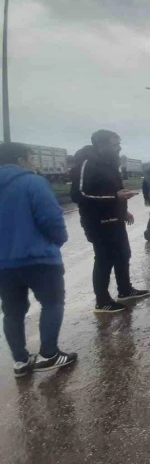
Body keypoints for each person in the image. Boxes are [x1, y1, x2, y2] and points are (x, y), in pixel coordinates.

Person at [0, 142, 77, 376]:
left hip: (4, 264)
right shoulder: (33, 182)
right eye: (32, 158)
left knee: (12, 311)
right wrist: (59, 240)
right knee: (52, 303)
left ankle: (21, 362)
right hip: (39, 259)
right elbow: (51, 218)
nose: (34, 162)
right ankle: (49, 354)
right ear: (22, 160)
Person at [70, 130, 150, 313]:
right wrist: (114, 197)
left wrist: (124, 210)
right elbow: (78, 194)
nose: (119, 148)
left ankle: (125, 290)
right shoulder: (87, 162)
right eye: (115, 145)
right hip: (97, 221)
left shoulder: (111, 163)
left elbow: (115, 191)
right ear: (101, 145)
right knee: (104, 259)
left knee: (123, 254)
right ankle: (102, 301)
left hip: (115, 218)